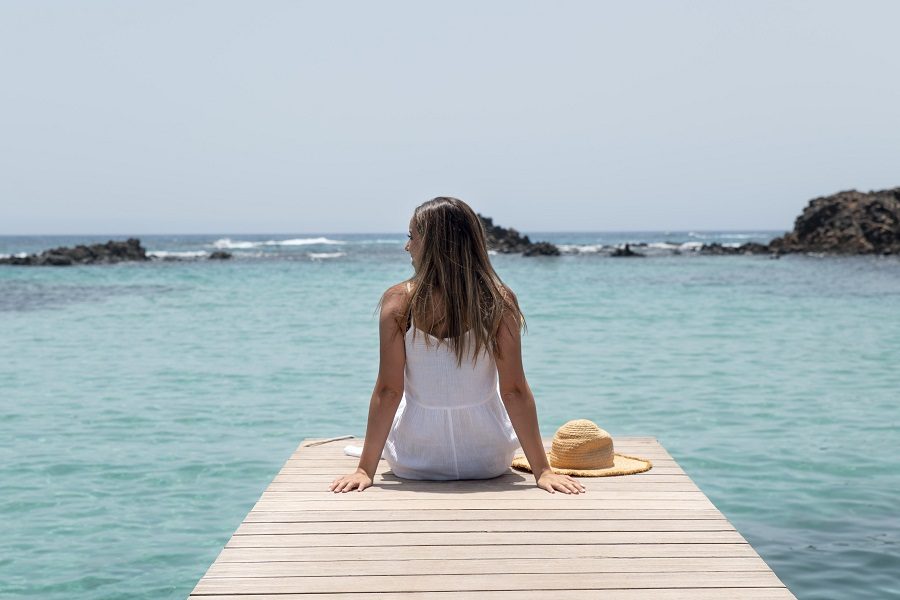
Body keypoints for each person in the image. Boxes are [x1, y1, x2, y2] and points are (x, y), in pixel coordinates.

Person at [329, 197, 586, 495]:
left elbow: (389, 391)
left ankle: (373, 451)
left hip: (415, 461)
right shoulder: (498, 301)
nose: (407, 246)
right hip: (487, 461)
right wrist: (542, 471)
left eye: (412, 236)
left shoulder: (399, 302)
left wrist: (365, 470)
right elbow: (514, 391)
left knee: (404, 408)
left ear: (432, 243)